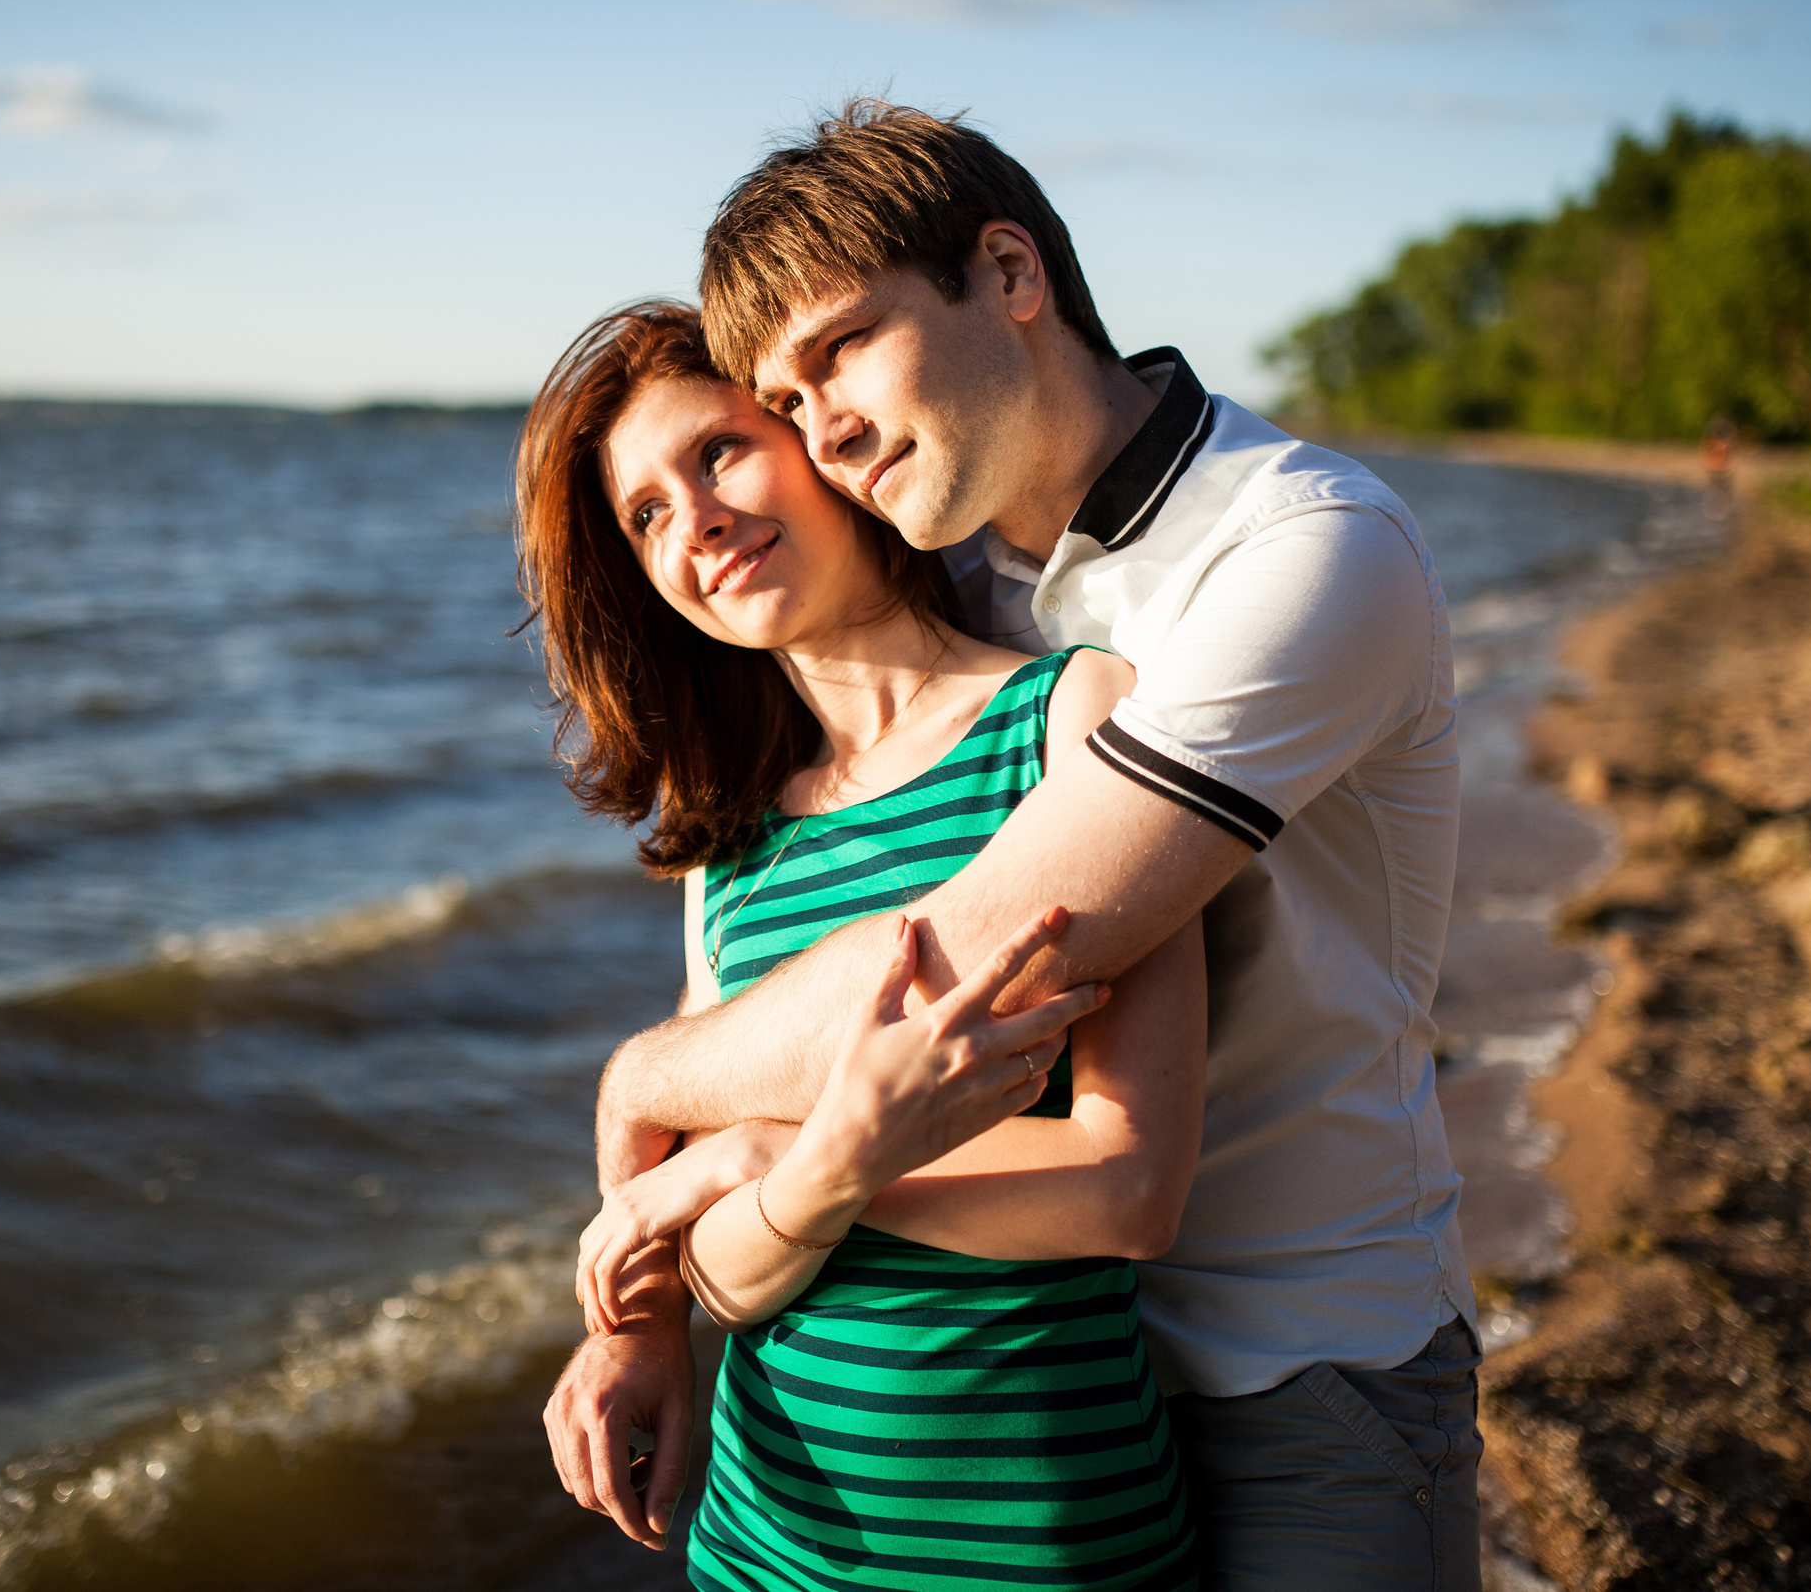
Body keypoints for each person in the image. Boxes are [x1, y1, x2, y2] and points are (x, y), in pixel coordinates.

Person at [544, 100, 1484, 1591]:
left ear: (1009, 272)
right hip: (1064, 1381)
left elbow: (967, 946)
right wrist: (652, 1302)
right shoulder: (967, 567)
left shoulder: (1306, 549)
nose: (822, 429)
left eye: (841, 349)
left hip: (1303, 1354)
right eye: (782, 399)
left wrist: (666, 1092)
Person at [516, 302, 1206, 1589]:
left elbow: (1129, 1193)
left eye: (716, 454)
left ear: (818, 438)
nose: (696, 521)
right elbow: (720, 1273)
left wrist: (784, 1158)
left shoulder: (1066, 719)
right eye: (647, 515)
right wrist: (771, 1206)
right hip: (770, 1548)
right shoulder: (726, 849)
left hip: (1051, 1549)